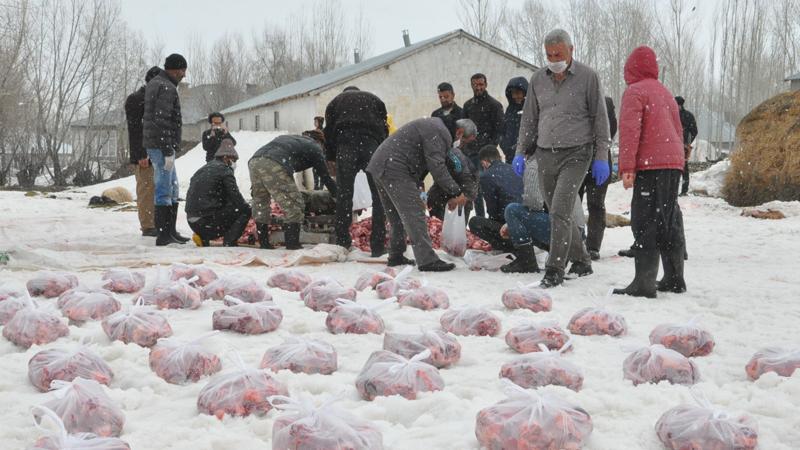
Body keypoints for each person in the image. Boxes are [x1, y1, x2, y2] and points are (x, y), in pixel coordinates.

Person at [512, 29, 612, 288]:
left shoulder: (588, 77)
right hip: (546, 153)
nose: (553, 58)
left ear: (571, 50)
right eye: (549, 54)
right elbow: (529, 120)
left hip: (577, 152)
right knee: (558, 213)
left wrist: (601, 156)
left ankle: (555, 268)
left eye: (558, 53)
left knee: (559, 210)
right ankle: (582, 259)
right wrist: (520, 152)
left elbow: (600, 119)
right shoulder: (537, 79)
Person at [613, 46, 687, 298]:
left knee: (645, 220)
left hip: (651, 165)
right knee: (669, 217)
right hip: (672, 164)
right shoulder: (665, 92)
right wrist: (679, 163)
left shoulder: (635, 91)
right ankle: (675, 277)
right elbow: (678, 131)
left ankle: (644, 283)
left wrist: (627, 167)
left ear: (631, 68)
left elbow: (630, 132)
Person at [367, 118, 468, 272]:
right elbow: (437, 167)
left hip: (381, 163)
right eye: (463, 138)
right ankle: (427, 260)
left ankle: (396, 255)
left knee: (396, 215)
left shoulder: (433, 125)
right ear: (459, 132)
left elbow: (423, 161)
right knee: (414, 213)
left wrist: (419, 188)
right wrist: (456, 191)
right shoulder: (440, 132)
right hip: (395, 167)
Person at [324, 86, 388, 256]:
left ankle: (342, 243)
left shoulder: (335, 102)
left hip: (345, 145)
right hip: (371, 145)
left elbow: (328, 132)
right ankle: (378, 246)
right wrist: (380, 150)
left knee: (344, 195)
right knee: (379, 197)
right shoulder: (374, 99)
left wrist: (331, 156)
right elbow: (384, 127)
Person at [249, 132, 338, 250]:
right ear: (320, 142)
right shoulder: (315, 147)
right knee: (294, 204)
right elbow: (325, 177)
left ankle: (264, 242)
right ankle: (292, 244)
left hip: (255, 160)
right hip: (275, 162)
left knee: (261, 203)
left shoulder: (291, 139)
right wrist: (338, 196)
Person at [499, 156, 587, 273]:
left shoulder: (535, 165)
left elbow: (533, 203)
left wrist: (511, 223)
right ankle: (559, 253)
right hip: (576, 231)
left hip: (563, 230)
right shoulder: (558, 160)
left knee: (512, 211)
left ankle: (526, 261)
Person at [143, 53, 190, 246]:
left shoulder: (158, 84)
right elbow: (161, 120)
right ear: (174, 69)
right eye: (182, 70)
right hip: (161, 146)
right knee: (164, 188)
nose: (183, 75)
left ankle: (170, 231)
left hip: (160, 144)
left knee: (172, 186)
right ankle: (164, 234)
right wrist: (167, 146)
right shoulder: (165, 87)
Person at [185, 139, 251, 247]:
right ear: (226, 158)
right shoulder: (225, 170)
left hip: (192, 221)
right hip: (207, 222)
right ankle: (230, 241)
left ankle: (203, 237)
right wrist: (248, 208)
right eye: (233, 160)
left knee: (223, 206)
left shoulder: (203, 169)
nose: (234, 164)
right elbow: (235, 196)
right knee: (244, 210)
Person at [578, 96, 618, 260]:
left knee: (595, 203)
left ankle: (593, 246)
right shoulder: (574, 99)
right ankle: (576, 240)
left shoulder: (606, 102)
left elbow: (611, 130)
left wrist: (598, 149)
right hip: (577, 158)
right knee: (574, 202)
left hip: (599, 158)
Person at [124, 66, 160, 237]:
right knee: (146, 189)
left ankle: (157, 222)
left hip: (159, 153)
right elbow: (135, 130)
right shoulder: (136, 100)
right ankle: (148, 225)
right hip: (145, 155)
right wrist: (141, 154)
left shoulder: (158, 101)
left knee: (157, 189)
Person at [463, 73, 504, 218]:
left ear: (486, 85)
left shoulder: (495, 105)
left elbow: (499, 130)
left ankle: (494, 218)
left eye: (481, 84)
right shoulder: (467, 106)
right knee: (476, 190)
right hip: (471, 154)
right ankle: (480, 221)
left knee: (491, 187)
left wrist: (490, 150)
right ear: (471, 85)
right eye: (475, 84)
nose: (478, 87)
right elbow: (464, 129)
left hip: (487, 155)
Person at [467, 145, 523, 253]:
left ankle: (506, 246)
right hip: (525, 225)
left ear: (484, 162)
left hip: (509, 228)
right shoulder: (514, 170)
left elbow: (492, 209)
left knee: (474, 222)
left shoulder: (486, 176)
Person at [427, 119, 479, 221]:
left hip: (461, 195)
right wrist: (425, 196)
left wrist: (460, 197)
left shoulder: (461, 154)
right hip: (441, 194)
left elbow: (470, 180)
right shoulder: (444, 148)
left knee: (456, 231)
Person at [499, 76, 529, 163]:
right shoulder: (510, 109)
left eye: (518, 93)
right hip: (510, 156)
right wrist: (505, 145)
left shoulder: (531, 109)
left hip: (526, 156)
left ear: (525, 93)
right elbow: (502, 130)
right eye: (513, 93)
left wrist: (520, 148)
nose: (515, 96)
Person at [675, 96, 698, 196]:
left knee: (680, 167)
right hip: (679, 145)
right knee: (681, 167)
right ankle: (680, 190)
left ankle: (680, 190)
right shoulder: (688, 115)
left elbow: (694, 131)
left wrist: (688, 142)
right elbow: (694, 131)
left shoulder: (676, 115)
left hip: (679, 145)